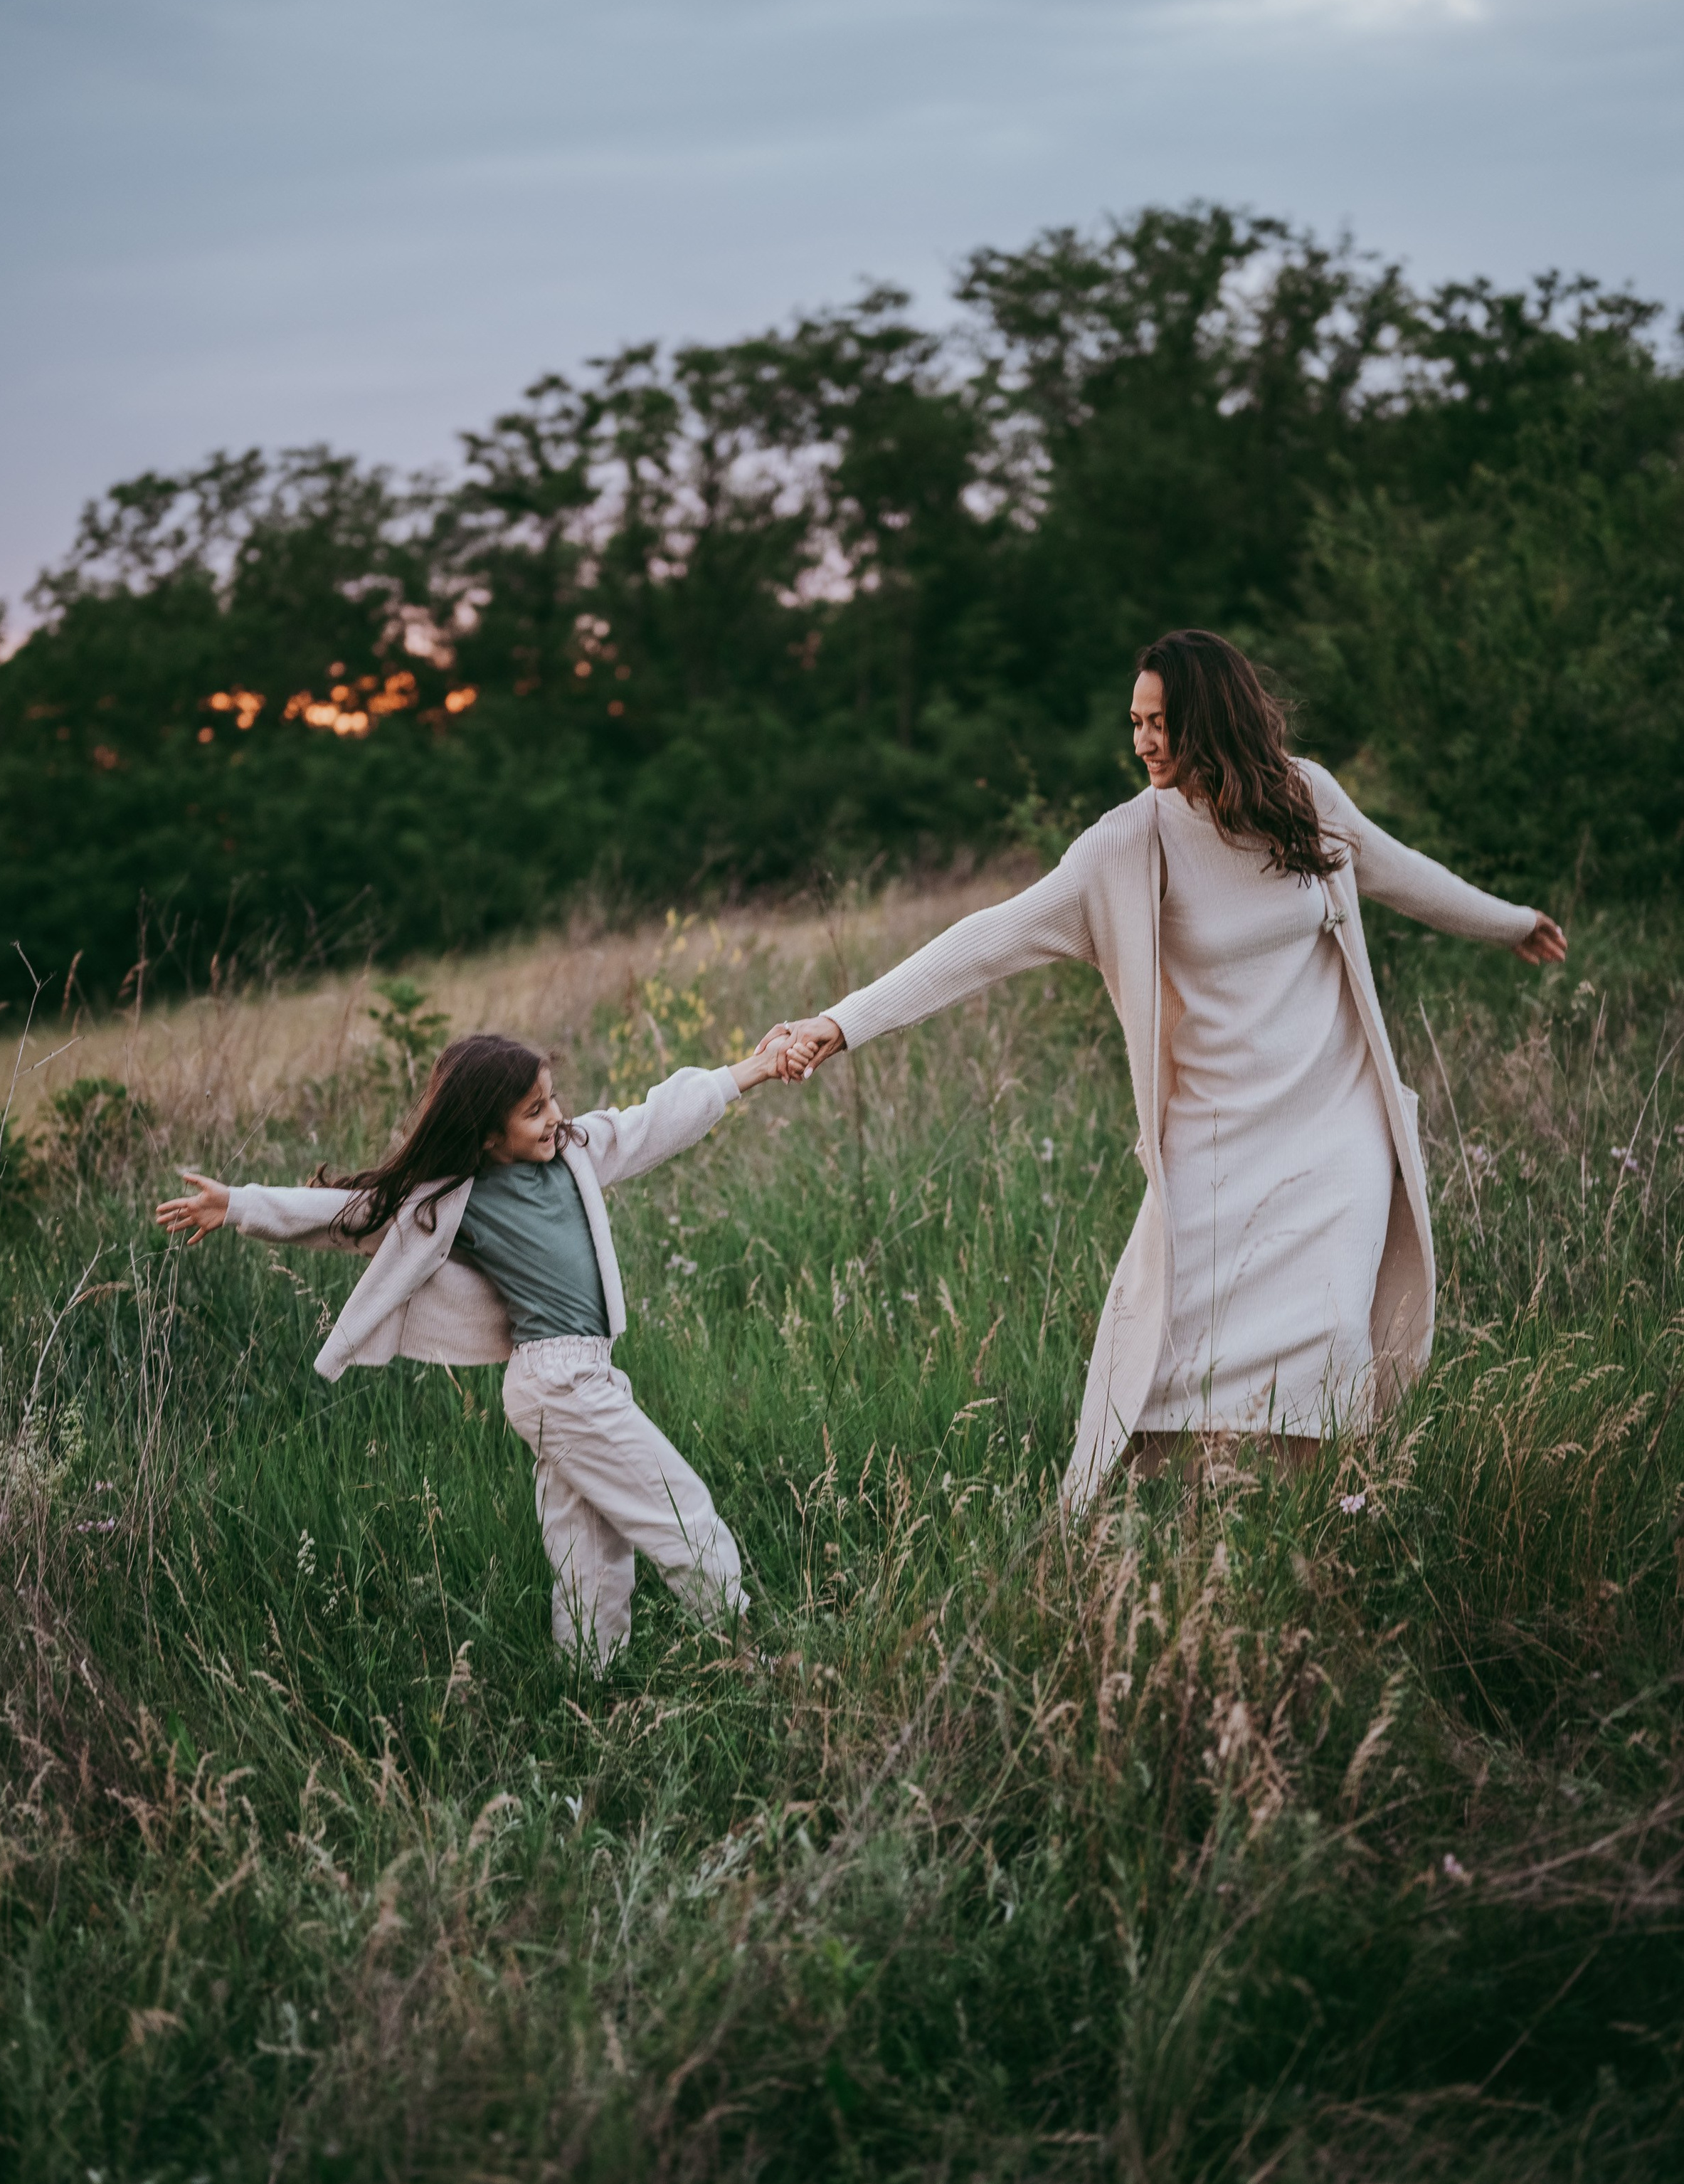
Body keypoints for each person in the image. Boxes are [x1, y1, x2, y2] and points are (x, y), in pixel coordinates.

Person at [777, 630, 1566, 1514]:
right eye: (1135, 722)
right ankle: (1181, 1522)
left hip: (1333, 1120)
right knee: (1170, 1346)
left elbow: (1397, 871)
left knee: (1333, 1329)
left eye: (1160, 722)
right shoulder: (1126, 845)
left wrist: (1509, 920)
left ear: (1211, 719)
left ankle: (1315, 1520)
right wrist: (843, 1021)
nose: (1143, 742)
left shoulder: (1306, 799)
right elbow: (988, 939)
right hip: (1217, 1132)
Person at [157, 1029, 793, 1667]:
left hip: (578, 1379)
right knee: (680, 1509)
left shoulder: (576, 1153)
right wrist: (237, 1205)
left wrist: (755, 1069)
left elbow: (657, 1119)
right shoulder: (456, 1198)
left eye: (552, 1099)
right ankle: (750, 1660)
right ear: (488, 1136)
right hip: (557, 1380)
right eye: (534, 1111)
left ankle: (589, 1682)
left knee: (589, 1546)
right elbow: (347, 1213)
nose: (555, 1117)